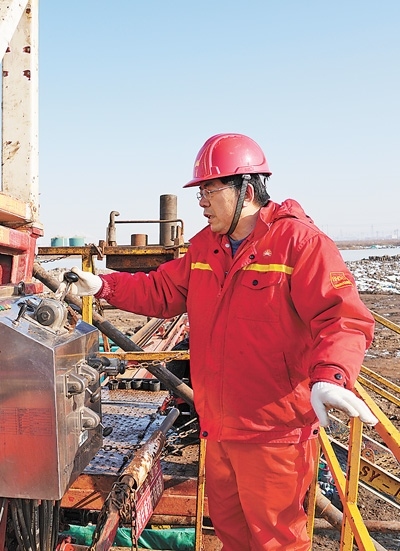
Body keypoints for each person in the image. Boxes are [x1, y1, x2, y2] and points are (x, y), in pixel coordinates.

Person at [57, 133, 378, 551]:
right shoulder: (205, 247)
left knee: (276, 540)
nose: (203, 202)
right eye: (201, 193)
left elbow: (342, 317)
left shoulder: (299, 244)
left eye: (209, 190)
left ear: (246, 189)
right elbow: (161, 291)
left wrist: (330, 376)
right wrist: (103, 286)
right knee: (231, 534)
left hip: (273, 432)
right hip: (219, 427)